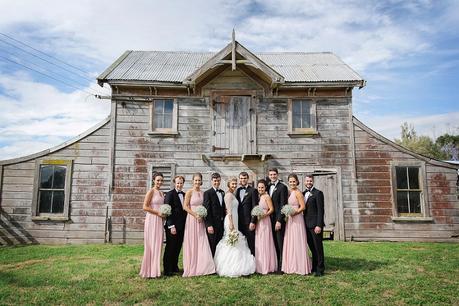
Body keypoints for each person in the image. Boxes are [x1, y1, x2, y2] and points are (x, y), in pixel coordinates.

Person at [213, 177, 256, 277]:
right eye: (232, 184)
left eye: (235, 183)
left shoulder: (233, 193)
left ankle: (239, 263)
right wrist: (231, 223)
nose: (234, 185)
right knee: (231, 240)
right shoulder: (228, 195)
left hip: (236, 220)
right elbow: (228, 211)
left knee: (236, 240)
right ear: (228, 185)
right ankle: (228, 265)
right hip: (231, 220)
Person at [182, 173, 215, 277]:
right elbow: (185, 207)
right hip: (192, 220)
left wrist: (202, 215)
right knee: (192, 242)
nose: (197, 182)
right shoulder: (189, 192)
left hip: (201, 221)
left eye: (199, 180)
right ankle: (192, 266)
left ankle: (203, 267)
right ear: (193, 181)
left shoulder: (203, 193)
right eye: (195, 180)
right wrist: (195, 215)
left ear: (201, 181)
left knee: (202, 241)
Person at [281, 173, 312, 275]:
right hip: (290, 219)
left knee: (297, 240)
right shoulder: (289, 192)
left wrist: (295, 213)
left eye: (294, 181)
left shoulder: (298, 193)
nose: (292, 183)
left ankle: (299, 266)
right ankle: (291, 265)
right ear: (288, 182)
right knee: (290, 241)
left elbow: (303, 207)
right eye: (290, 181)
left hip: (297, 219)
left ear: (297, 182)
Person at [139, 172, 166, 278]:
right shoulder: (151, 192)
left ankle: (155, 270)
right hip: (152, 220)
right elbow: (145, 207)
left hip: (159, 221)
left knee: (158, 244)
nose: (159, 182)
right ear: (154, 180)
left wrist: (163, 214)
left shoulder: (161, 193)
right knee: (151, 244)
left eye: (161, 180)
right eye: (158, 180)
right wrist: (157, 213)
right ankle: (148, 271)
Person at [163, 175, 187, 276]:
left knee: (178, 247)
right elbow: (167, 211)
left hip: (182, 226)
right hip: (172, 226)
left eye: (181, 183)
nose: (179, 184)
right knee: (170, 247)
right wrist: (171, 226)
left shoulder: (185, 194)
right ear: (174, 183)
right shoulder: (169, 194)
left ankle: (174, 266)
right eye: (177, 183)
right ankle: (167, 269)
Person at [303, 174, 325, 277]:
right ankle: (314, 266)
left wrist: (319, 225)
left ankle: (320, 268)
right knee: (312, 247)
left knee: (318, 247)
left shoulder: (318, 193)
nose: (309, 182)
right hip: (306, 225)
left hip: (315, 225)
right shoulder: (303, 194)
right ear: (304, 182)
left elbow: (321, 210)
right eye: (307, 181)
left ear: (313, 181)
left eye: (310, 181)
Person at [267, 167, 288, 272]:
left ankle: (282, 267)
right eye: (271, 175)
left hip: (277, 220)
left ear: (277, 175)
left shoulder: (282, 187)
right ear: (268, 175)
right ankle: (274, 265)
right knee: (273, 243)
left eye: (274, 174)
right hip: (268, 220)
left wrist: (279, 220)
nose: (272, 176)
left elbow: (283, 205)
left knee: (280, 243)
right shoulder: (267, 187)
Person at [254, 179, 277, 274]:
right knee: (259, 241)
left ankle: (266, 265)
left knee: (265, 241)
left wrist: (265, 215)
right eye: (259, 187)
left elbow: (271, 209)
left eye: (262, 187)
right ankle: (259, 265)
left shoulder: (267, 197)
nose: (260, 189)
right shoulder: (258, 197)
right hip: (258, 222)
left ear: (265, 188)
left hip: (265, 221)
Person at [235, 171, 258, 256]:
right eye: (241, 178)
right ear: (239, 179)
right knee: (242, 244)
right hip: (239, 222)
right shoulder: (237, 190)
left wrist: (253, 221)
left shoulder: (253, 191)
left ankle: (253, 262)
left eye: (244, 178)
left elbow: (255, 207)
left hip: (249, 222)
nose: (243, 180)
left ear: (247, 179)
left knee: (251, 242)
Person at [203, 173, 226, 256]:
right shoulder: (207, 193)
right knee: (212, 245)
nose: (217, 182)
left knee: (220, 245)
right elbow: (206, 210)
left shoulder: (222, 192)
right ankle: (211, 266)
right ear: (212, 181)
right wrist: (208, 225)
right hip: (212, 224)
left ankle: (217, 265)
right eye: (215, 181)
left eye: (218, 181)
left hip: (221, 224)